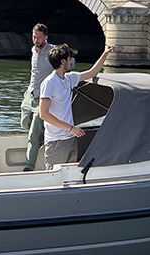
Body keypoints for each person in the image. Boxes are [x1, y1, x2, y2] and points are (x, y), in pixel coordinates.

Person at [39, 43, 116, 170]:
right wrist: (70, 128)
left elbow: (92, 72)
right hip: (56, 141)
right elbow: (43, 114)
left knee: (69, 176)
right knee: (54, 177)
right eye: (70, 59)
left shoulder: (69, 78)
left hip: (70, 138)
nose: (72, 61)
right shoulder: (49, 83)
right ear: (63, 61)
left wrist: (106, 53)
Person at [20, 23, 54, 171]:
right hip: (29, 94)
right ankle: (41, 136)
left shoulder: (52, 51)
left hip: (42, 98)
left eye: (39, 37)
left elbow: (70, 61)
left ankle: (29, 167)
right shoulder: (33, 50)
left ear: (46, 38)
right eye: (34, 36)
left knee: (33, 134)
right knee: (24, 123)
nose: (36, 40)